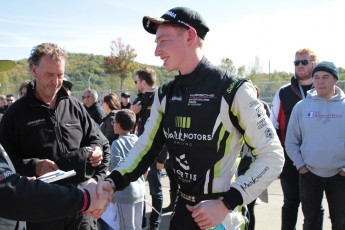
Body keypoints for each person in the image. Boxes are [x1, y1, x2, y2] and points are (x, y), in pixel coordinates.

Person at [97, 7, 284, 230]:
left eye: (163, 41)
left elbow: (272, 156)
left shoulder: (234, 88)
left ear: (190, 36)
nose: (157, 51)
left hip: (221, 216)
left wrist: (226, 203)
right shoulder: (165, 94)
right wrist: (112, 181)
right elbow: (144, 148)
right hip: (183, 212)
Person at [0, 43, 109, 230]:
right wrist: (33, 166)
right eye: (50, 75)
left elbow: (99, 140)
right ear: (34, 71)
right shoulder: (15, 114)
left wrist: (96, 157)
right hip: (43, 211)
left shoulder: (75, 106)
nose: (56, 81)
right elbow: (6, 164)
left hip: (81, 206)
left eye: (60, 75)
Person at [285, 61, 345, 230]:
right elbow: (291, 141)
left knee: (340, 222)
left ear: (335, 80)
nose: (320, 82)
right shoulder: (302, 107)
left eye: (325, 77)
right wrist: (301, 166)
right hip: (309, 174)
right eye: (316, 77)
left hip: (340, 176)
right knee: (311, 222)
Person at [270, 48, 324, 230]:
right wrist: (277, 159)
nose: (299, 66)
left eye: (304, 62)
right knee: (291, 202)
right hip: (290, 158)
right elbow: (273, 127)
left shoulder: (324, 91)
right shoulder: (283, 92)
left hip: (317, 158)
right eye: (296, 62)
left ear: (314, 64)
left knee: (316, 205)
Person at [131, 67, 167, 229]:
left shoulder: (159, 98)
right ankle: (142, 221)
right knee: (139, 187)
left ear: (144, 82)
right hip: (140, 151)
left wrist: (161, 158)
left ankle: (154, 224)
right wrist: (132, 112)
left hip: (154, 153)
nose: (136, 84)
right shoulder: (140, 100)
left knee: (155, 190)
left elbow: (165, 131)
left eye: (137, 81)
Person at [237, 85, 270, 230]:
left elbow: (267, 133)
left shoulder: (262, 107)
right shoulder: (236, 107)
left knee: (249, 206)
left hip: (253, 160)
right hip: (237, 161)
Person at [107, 109, 145, 230]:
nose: (113, 124)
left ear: (118, 125)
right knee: (137, 226)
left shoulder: (116, 144)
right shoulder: (138, 141)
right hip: (140, 191)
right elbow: (145, 168)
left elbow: (116, 169)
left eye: (114, 122)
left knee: (126, 227)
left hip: (125, 194)